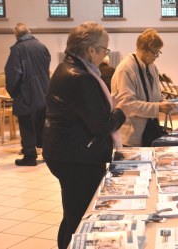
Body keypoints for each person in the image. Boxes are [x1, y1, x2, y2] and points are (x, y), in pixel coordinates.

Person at [43, 22, 136, 249]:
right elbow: (102, 126)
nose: (106, 55)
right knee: (80, 216)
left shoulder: (69, 69)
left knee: (72, 212)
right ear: (90, 50)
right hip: (76, 157)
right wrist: (122, 112)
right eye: (104, 49)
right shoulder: (80, 77)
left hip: (68, 151)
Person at [111, 28, 175, 147]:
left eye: (159, 52)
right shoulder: (126, 69)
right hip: (132, 137)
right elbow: (129, 104)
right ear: (141, 49)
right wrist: (158, 107)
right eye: (154, 52)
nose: (157, 56)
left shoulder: (152, 67)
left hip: (150, 131)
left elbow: (157, 94)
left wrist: (166, 103)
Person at [5, 23, 51, 166]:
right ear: (29, 32)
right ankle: (45, 152)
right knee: (40, 124)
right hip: (44, 92)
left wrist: (12, 92)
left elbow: (13, 73)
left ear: (15, 35)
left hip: (27, 93)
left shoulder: (18, 49)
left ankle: (30, 156)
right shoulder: (42, 46)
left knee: (27, 125)